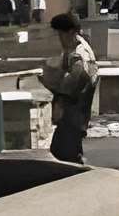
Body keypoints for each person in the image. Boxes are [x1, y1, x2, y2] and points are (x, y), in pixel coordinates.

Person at [42, 12, 99, 163]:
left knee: (64, 152)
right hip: (74, 112)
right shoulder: (73, 48)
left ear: (71, 32)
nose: (59, 38)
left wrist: (60, 102)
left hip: (74, 110)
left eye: (61, 34)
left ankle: (82, 174)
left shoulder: (80, 54)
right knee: (66, 151)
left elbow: (77, 80)